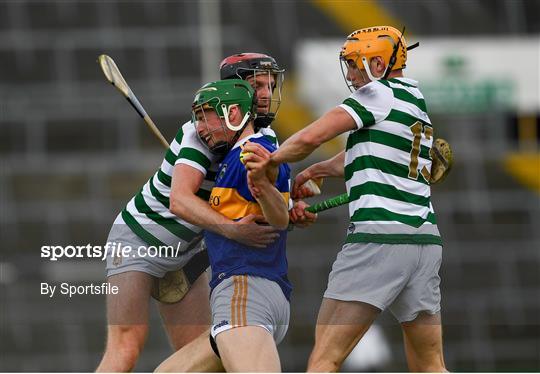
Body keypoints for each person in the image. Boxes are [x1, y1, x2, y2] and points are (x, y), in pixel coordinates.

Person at [245, 26, 448, 372]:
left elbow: (314, 135)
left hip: (378, 242)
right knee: (430, 365)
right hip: (424, 243)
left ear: (380, 64)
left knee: (324, 359)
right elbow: (366, 152)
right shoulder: (413, 99)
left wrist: (272, 161)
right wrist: (316, 171)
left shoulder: (377, 94)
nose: (351, 74)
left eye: (356, 64)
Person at [96, 53, 289, 372]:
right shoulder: (196, 136)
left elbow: (262, 201)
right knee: (126, 348)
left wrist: (291, 202)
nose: (267, 93)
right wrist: (234, 229)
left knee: (199, 360)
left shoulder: (263, 138)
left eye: (270, 84)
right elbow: (180, 202)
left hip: (186, 253)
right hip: (137, 241)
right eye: (258, 86)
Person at [190, 79, 291, 371]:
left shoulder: (253, 153)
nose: (199, 128)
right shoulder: (235, 158)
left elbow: (279, 217)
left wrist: (264, 186)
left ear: (233, 113)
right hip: (252, 290)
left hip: (244, 289)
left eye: (203, 116)